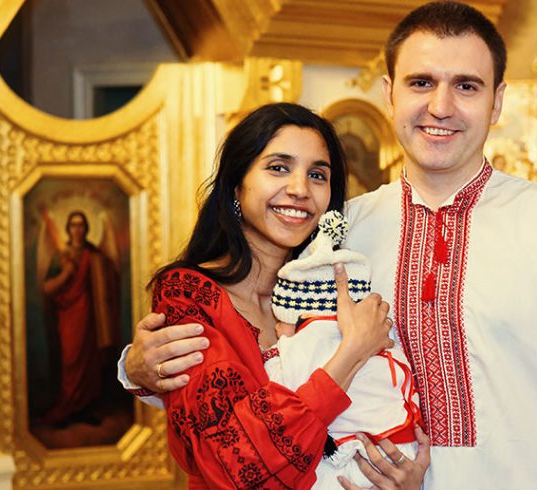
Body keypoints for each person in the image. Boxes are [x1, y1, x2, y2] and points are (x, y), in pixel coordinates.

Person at [122, 2, 537, 487]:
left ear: (497, 103)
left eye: (467, 86)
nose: (440, 106)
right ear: (389, 93)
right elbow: (258, 359)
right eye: (421, 82)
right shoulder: (336, 232)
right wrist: (137, 370)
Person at [144, 102, 423, 488]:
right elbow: (234, 462)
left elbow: (371, 415)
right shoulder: (189, 297)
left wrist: (401, 478)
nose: (299, 189)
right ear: (236, 183)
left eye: (317, 175)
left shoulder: (332, 289)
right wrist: (350, 354)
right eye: (278, 167)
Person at [266, 210, 421, 489]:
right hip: (396, 449)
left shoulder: (291, 349)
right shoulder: (382, 339)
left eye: (316, 175)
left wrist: (282, 345)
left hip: (331, 463)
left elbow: (275, 395)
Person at [41, 210, 119, 426]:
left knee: (90, 362)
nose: (77, 229)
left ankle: (86, 407)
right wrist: (66, 273)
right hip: (68, 317)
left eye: (81, 225)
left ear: (86, 228)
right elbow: (47, 288)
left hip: (91, 318)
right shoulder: (61, 256)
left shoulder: (94, 256)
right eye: (73, 225)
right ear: (68, 229)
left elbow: (107, 286)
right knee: (70, 359)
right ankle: (68, 405)